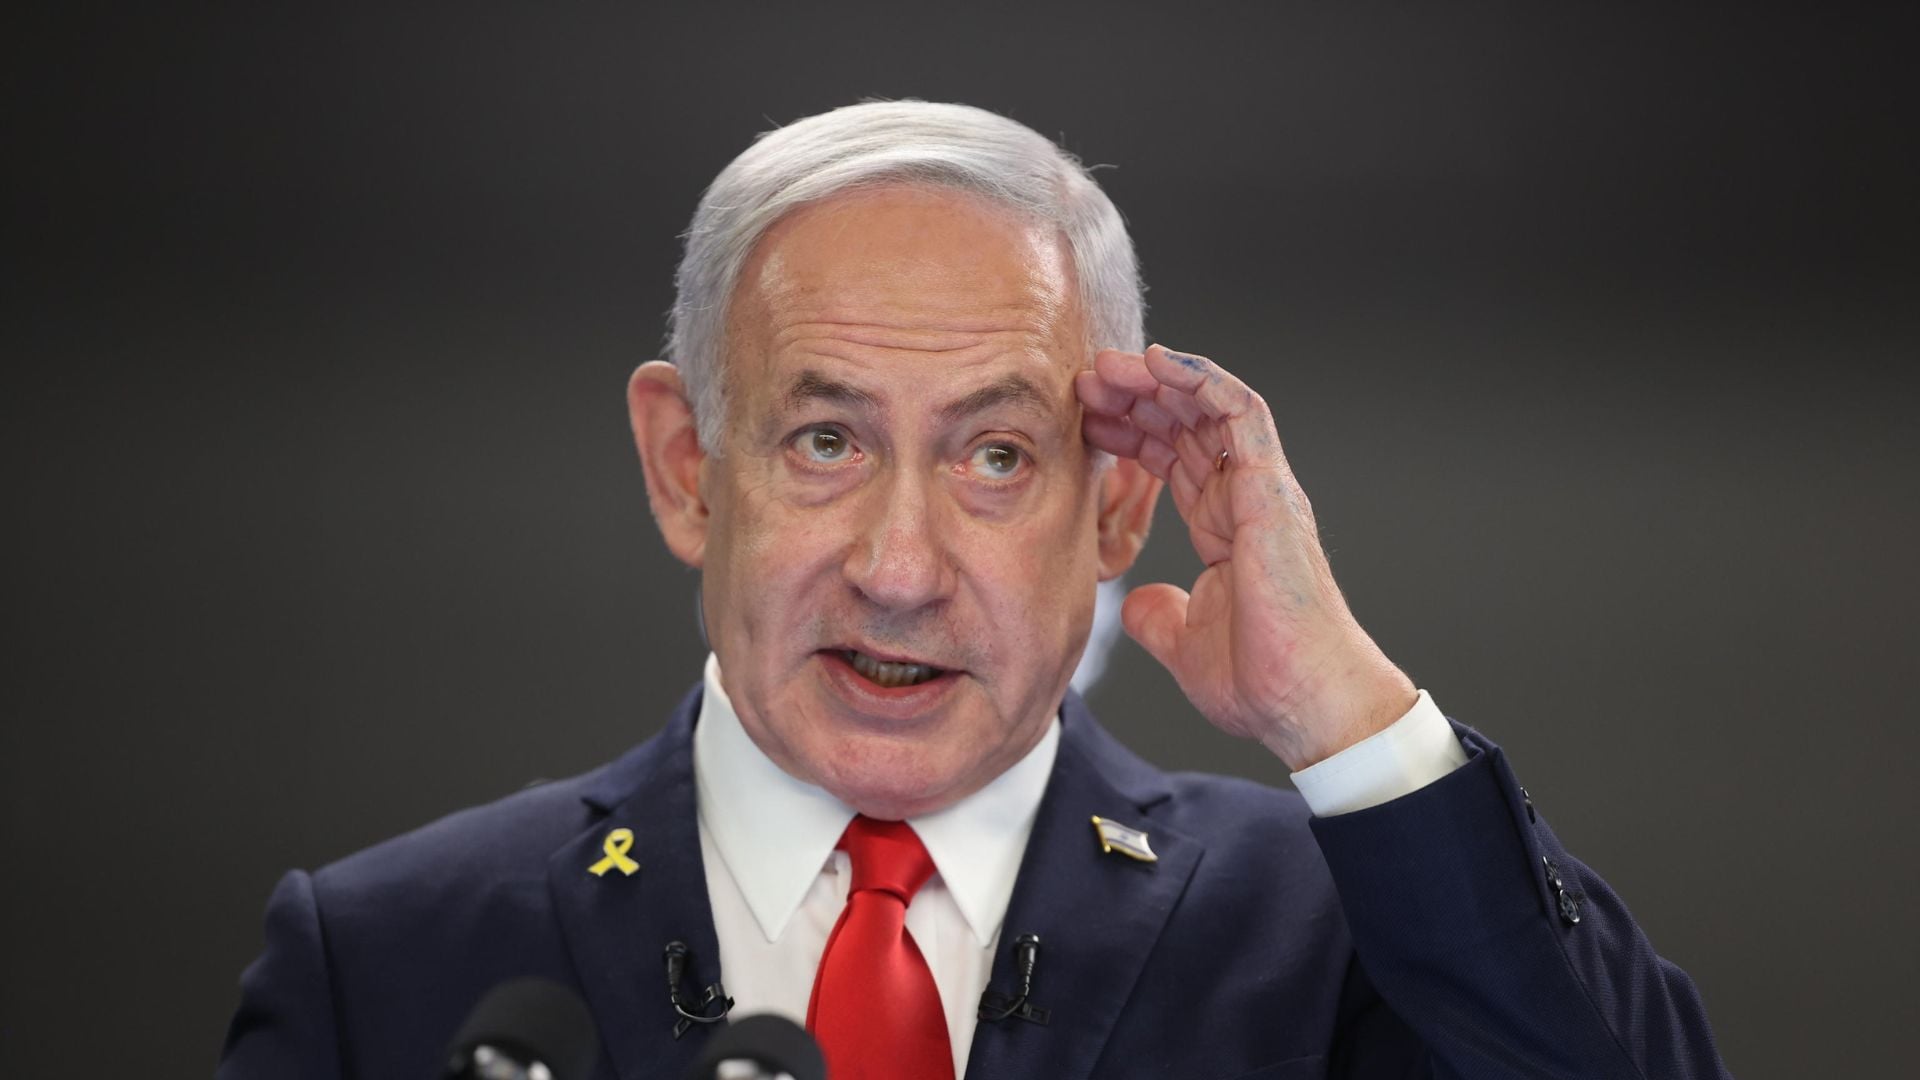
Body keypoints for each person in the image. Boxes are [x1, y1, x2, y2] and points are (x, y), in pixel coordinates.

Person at [219, 100, 1731, 1080]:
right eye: (825, 441)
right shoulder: (384, 962)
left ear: (1117, 503)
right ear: (688, 470)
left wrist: (1347, 717)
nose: (899, 569)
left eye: (998, 456)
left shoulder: (1335, 943)